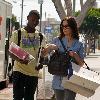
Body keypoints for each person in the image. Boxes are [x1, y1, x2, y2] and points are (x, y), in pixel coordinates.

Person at [43, 17, 84, 100]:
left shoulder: (79, 44)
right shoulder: (56, 40)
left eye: (66, 26)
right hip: (57, 80)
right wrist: (50, 47)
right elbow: (44, 54)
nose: (64, 28)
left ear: (73, 27)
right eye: (62, 26)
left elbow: (81, 63)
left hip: (72, 80)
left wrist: (75, 55)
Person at [10, 10, 46, 100]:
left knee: (29, 98)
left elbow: (42, 54)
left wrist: (41, 62)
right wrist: (19, 60)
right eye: (33, 19)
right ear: (27, 18)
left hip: (33, 73)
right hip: (19, 71)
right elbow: (10, 52)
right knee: (17, 97)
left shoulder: (41, 36)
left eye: (37, 20)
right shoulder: (17, 33)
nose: (35, 22)